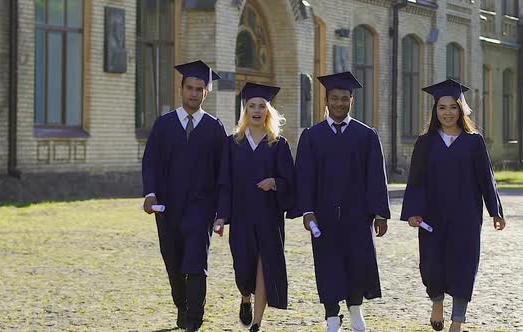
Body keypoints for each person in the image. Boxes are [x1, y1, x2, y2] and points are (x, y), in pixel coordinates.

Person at [400, 79, 506, 332]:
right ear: (435, 111)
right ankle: (437, 303)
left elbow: (486, 179)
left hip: (465, 215)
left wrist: (495, 211)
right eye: (442, 107)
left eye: (452, 107)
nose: (447, 113)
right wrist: (413, 211)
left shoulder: (474, 142)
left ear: (461, 109)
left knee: (463, 266)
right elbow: (416, 180)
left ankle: (457, 321)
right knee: (431, 265)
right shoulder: (425, 142)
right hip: (432, 216)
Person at [292, 71, 391, 332]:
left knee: (357, 261)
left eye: (344, 99)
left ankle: (356, 309)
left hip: (357, 214)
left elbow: (376, 177)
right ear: (325, 100)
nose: (339, 103)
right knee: (327, 264)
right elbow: (304, 178)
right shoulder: (312, 137)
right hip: (323, 215)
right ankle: (332, 316)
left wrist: (380, 213)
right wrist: (307, 211)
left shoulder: (366, 135)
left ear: (352, 101)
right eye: (334, 98)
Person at [141, 60, 227, 332]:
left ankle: (195, 317)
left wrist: (222, 211)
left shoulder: (215, 128)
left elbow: (223, 173)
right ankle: (181, 305)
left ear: (206, 93)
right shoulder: (164, 125)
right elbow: (151, 162)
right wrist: (150, 194)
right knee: (174, 261)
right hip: (168, 207)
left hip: (202, 207)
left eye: (199, 88)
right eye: (189, 87)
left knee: (195, 262)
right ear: (181, 89)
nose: (193, 93)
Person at [214, 82, 295, 332]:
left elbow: (290, 181)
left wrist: (275, 182)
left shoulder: (278, 144)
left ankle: (256, 323)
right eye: (252, 106)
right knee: (243, 267)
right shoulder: (232, 144)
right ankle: (245, 297)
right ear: (245, 110)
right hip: (241, 216)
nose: (257, 110)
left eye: (262, 106)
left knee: (265, 266)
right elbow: (224, 183)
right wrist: (221, 217)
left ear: (268, 111)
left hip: (269, 217)